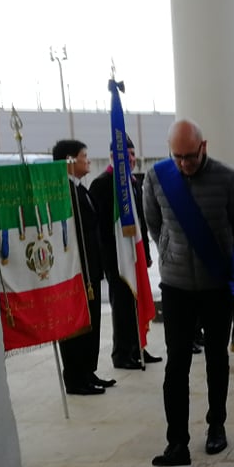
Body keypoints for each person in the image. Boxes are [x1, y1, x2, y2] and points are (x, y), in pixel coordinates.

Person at [142, 119, 234, 467]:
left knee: (216, 358)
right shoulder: (157, 178)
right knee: (176, 363)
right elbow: (154, 223)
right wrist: (170, 252)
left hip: (215, 285)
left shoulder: (229, 178)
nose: (184, 163)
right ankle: (177, 442)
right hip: (176, 287)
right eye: (177, 156)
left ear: (204, 147)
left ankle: (216, 425)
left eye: (190, 156)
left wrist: (219, 259)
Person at [89, 136, 162, 370]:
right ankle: (122, 353)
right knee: (122, 307)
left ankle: (137, 347)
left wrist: (146, 253)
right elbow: (100, 229)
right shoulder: (102, 184)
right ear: (113, 157)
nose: (131, 159)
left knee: (136, 304)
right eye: (125, 154)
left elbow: (141, 222)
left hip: (135, 255)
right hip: (117, 259)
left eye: (132, 154)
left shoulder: (133, 182)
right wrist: (107, 262)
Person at [55, 139, 112, 395]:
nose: (88, 160)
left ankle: (88, 372)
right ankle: (75, 378)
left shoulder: (81, 189)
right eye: (84, 155)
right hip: (75, 271)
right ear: (69, 160)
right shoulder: (62, 192)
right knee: (76, 326)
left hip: (91, 269)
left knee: (92, 322)